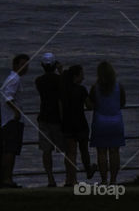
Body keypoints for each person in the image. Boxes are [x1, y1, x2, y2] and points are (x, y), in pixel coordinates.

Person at [87, 61, 125, 185]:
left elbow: (91, 104)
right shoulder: (119, 87)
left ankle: (104, 180)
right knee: (115, 152)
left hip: (100, 122)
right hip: (116, 122)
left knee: (101, 152)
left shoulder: (95, 88)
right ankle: (113, 180)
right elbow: (122, 103)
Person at [62, 65, 95, 186]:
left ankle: (70, 179)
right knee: (84, 150)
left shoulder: (64, 89)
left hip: (67, 123)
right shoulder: (81, 89)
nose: (84, 77)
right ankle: (88, 169)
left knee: (70, 153)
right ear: (76, 76)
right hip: (80, 123)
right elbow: (89, 106)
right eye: (82, 74)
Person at [35, 52, 64, 187]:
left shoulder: (39, 81)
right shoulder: (59, 80)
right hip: (57, 118)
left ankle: (50, 178)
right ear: (54, 64)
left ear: (42, 65)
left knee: (46, 150)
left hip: (44, 116)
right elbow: (64, 90)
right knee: (66, 149)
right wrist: (61, 71)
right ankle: (70, 176)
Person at [0, 54, 29, 188]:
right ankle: (7, 179)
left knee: (7, 150)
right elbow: (8, 97)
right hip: (12, 120)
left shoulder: (11, 78)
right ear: (15, 65)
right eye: (23, 64)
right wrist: (16, 111)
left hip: (7, 120)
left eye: (27, 64)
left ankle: (5, 178)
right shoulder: (15, 79)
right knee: (11, 150)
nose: (25, 67)